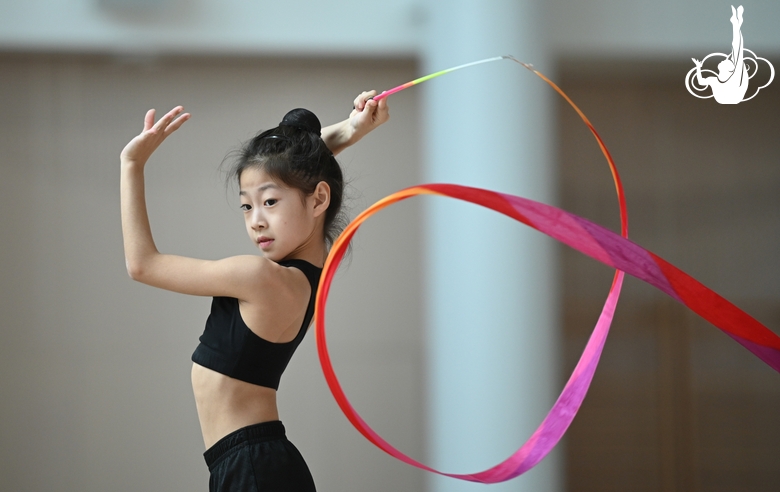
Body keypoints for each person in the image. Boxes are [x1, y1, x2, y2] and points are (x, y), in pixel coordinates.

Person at [120, 91, 389, 491]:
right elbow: (303, 168)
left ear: (318, 199)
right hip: (250, 465)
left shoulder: (261, 278)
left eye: (269, 202)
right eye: (247, 206)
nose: (256, 221)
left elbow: (142, 264)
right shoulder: (306, 271)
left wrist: (132, 164)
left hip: (253, 469)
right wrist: (349, 130)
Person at [692, 5, 748, 104]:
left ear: (729, 69)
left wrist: (736, 26)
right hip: (728, 97)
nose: (724, 59)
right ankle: (736, 24)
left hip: (733, 96)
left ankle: (736, 24)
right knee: (736, 51)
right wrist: (698, 67)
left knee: (737, 50)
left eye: (727, 61)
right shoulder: (714, 80)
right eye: (727, 60)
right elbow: (701, 82)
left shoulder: (733, 77)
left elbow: (737, 50)